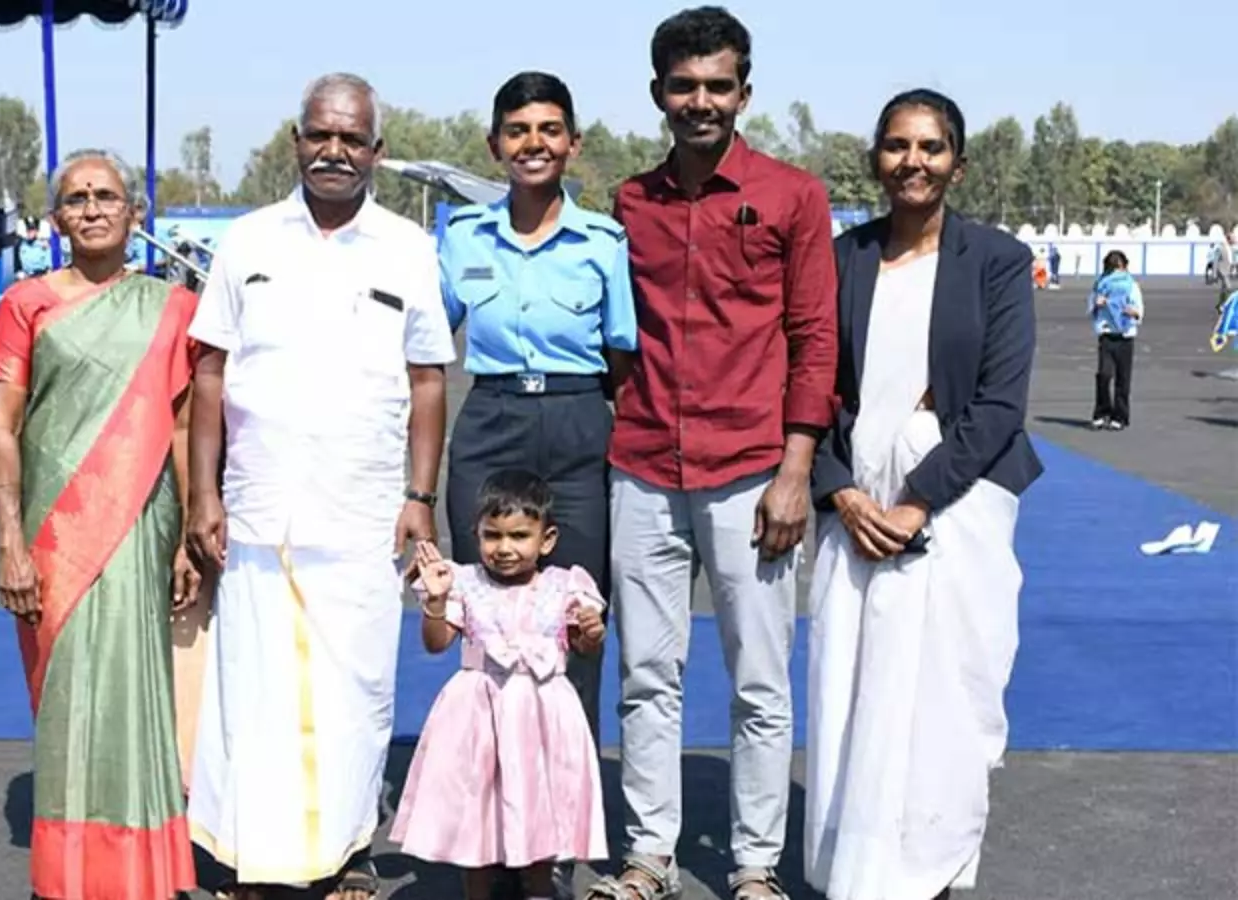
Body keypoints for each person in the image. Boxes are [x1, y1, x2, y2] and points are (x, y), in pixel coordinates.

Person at [183, 72, 456, 900]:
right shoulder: (247, 242)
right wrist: (202, 495)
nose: (334, 151)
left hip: (363, 510)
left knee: (355, 690)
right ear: (295, 140)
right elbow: (208, 372)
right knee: (254, 689)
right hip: (259, 504)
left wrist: (420, 496)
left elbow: (429, 380)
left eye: (351, 138)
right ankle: (246, 857)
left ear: (376, 150)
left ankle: (346, 850)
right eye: (320, 135)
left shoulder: (407, 248)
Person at [589, 8, 839, 900]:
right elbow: (617, 334)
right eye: (684, 86)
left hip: (752, 474)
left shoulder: (793, 196)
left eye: (718, 86)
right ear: (659, 93)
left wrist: (796, 471)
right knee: (645, 676)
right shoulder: (630, 203)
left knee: (759, 684)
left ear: (744, 93)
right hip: (644, 467)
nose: (701, 101)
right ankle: (648, 856)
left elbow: (814, 338)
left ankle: (754, 865)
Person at [805, 88, 1043, 900]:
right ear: (876, 159)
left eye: (931, 147)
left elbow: (999, 405)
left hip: (957, 506)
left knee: (943, 698)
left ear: (957, 165)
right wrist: (839, 492)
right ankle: (857, 867)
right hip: (855, 512)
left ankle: (930, 867)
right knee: (852, 688)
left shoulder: (998, 262)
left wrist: (916, 501)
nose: (914, 161)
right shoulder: (843, 258)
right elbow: (811, 388)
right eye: (898, 145)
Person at [0, 148, 203, 900]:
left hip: (142, 524)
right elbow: (5, 427)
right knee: (69, 697)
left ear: (134, 213)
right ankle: (69, 874)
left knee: (135, 693)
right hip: (55, 532)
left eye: (106, 196)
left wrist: (186, 535)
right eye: (76, 198)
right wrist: (9, 543)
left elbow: (184, 425)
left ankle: (140, 871)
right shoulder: (26, 304)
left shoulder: (173, 308)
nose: (92, 209)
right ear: (56, 219)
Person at [438, 68, 636, 779]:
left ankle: (565, 797)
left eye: (550, 130)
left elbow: (622, 357)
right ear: (494, 145)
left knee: (574, 617)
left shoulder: (603, 242)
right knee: (485, 610)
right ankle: (487, 790)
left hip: (578, 424)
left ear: (573, 144)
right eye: (518, 131)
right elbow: (425, 342)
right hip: (491, 421)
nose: (534, 143)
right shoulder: (463, 238)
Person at [390, 470, 609, 900]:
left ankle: (541, 889)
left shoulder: (566, 585)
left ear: (546, 540)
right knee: (477, 809)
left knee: (542, 805)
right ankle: (477, 892)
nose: (504, 548)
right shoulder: (464, 582)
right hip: (478, 713)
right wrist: (436, 601)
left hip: (543, 715)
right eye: (492, 535)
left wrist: (592, 632)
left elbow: (584, 646)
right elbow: (436, 643)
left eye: (519, 536)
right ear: (477, 534)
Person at [1087, 250, 1143, 431]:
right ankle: (1102, 412)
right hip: (1107, 335)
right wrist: (1097, 303)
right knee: (1104, 375)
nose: (1117, 273)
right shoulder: (1100, 285)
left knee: (1123, 379)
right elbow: (1090, 307)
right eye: (1113, 269)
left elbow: (1139, 310)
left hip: (1125, 336)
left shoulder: (1131, 285)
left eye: (1120, 268)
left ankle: (1120, 416)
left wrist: (1133, 312)